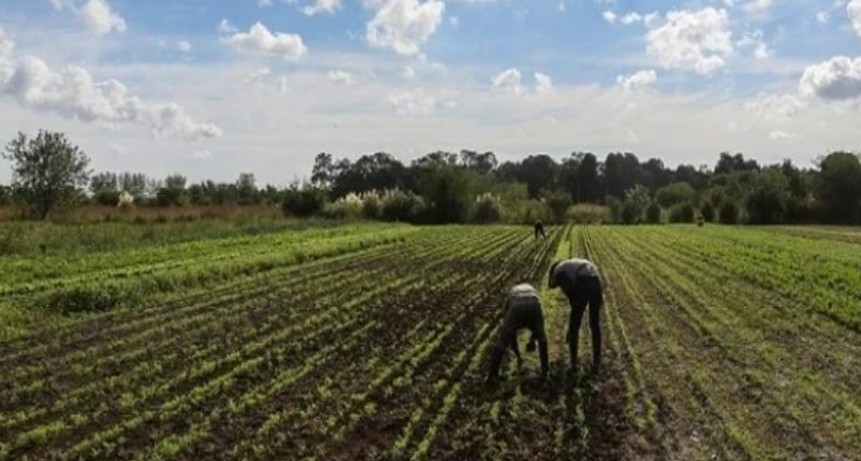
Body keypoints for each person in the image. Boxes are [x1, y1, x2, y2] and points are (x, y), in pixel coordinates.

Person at [485, 283, 549, 383]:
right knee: (542, 338)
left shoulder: (511, 294)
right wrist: (532, 340)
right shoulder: (531, 289)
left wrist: (517, 354)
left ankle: (492, 375)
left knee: (502, 342)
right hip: (535, 303)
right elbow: (537, 327)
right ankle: (545, 372)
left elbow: (511, 334)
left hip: (516, 306)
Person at [548, 259, 603, 371]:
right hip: (596, 280)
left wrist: (573, 320)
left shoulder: (559, 270)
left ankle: (574, 364)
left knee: (574, 326)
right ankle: (596, 363)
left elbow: (565, 290)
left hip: (583, 281)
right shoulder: (570, 265)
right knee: (595, 324)